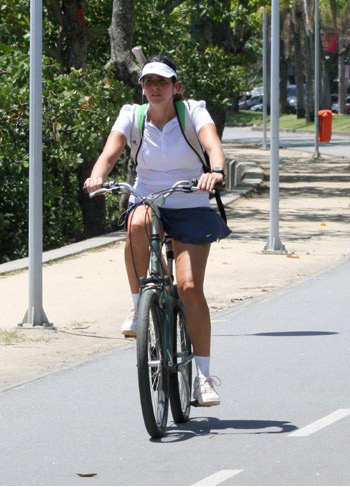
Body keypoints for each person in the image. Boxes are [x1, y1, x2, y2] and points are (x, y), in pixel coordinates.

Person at [84, 56, 231, 406]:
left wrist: (215, 170)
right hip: (149, 198)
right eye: (148, 82)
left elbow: (213, 145)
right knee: (136, 221)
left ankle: (203, 379)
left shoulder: (193, 112)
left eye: (162, 82)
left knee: (191, 287)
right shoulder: (133, 115)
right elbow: (111, 150)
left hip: (190, 201)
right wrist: (97, 175)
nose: (154, 88)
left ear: (175, 87)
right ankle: (141, 304)